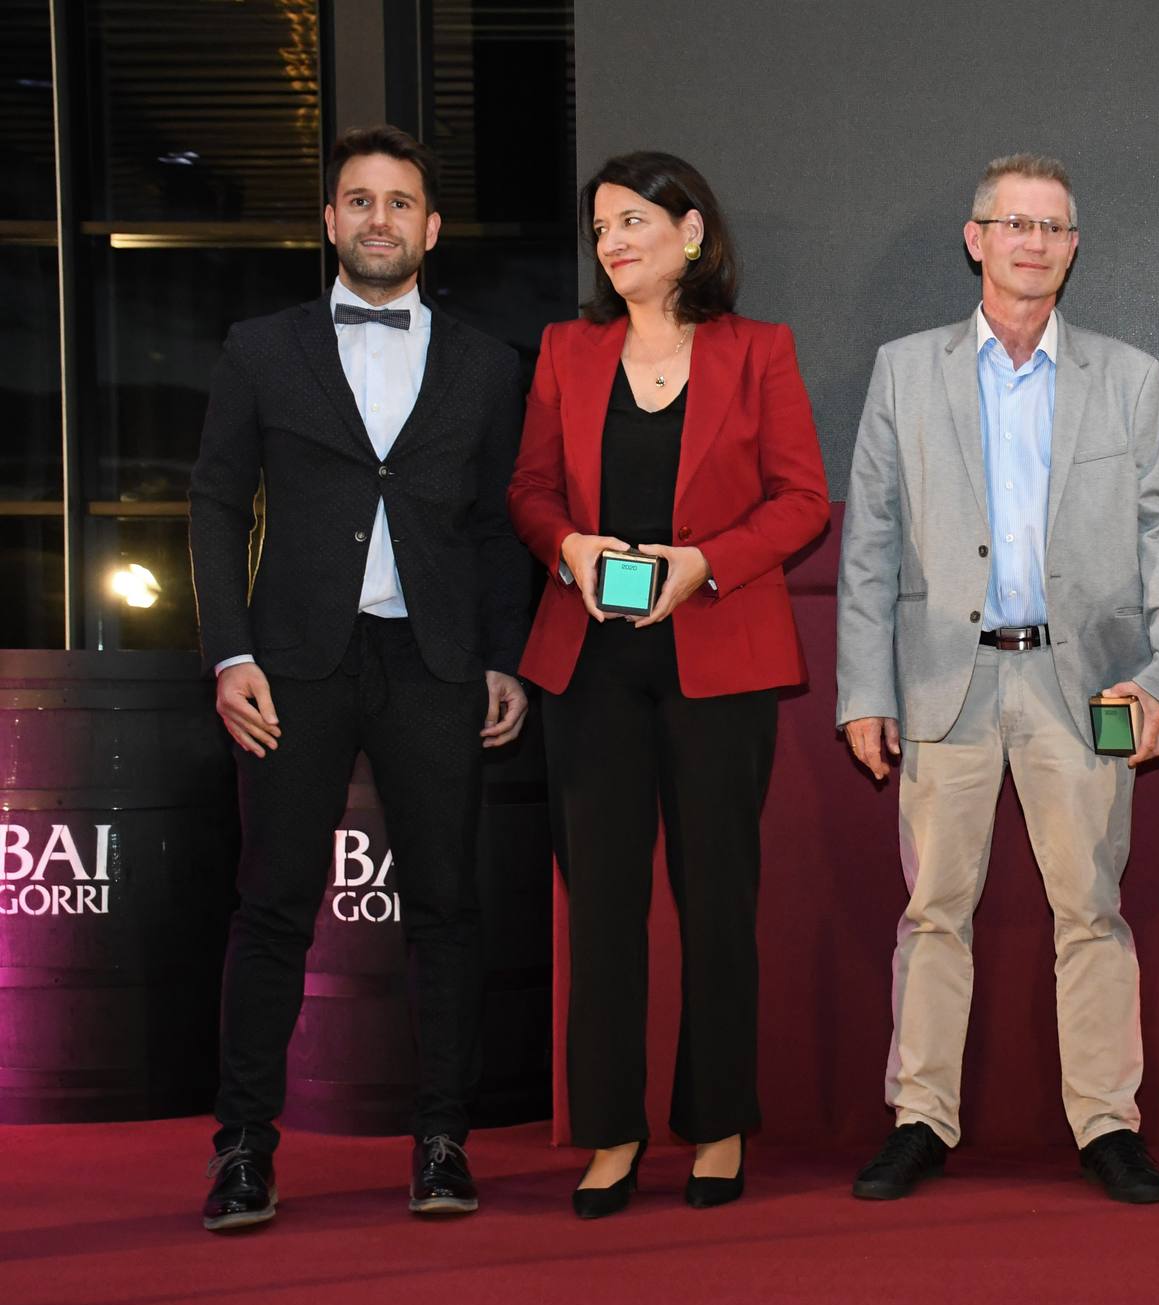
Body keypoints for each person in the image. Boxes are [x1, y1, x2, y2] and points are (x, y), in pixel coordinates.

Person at [835, 153, 1159, 1204]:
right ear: (975, 238)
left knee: (1091, 906)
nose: (1032, 242)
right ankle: (919, 1119)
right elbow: (868, 542)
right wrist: (864, 691)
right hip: (944, 686)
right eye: (1013, 224)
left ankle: (1105, 1125)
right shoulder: (903, 371)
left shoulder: (1126, 378)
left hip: (1081, 686)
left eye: (1052, 227)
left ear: (1073, 248)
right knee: (932, 911)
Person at [189, 125, 533, 1231]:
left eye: (400, 202)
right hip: (295, 664)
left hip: (434, 665)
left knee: (446, 910)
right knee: (273, 908)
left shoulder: (487, 362)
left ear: (430, 229)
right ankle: (243, 1150)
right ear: (330, 221)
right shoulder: (259, 347)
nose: (380, 218)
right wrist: (229, 652)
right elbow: (213, 502)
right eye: (359, 200)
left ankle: (442, 1144)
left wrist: (501, 657)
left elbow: (496, 528)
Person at [508, 152, 829, 1219]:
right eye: (599, 227)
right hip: (588, 661)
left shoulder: (759, 352)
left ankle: (719, 1122)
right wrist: (570, 548)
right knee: (599, 907)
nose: (612, 242)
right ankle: (606, 1134)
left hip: (717, 653)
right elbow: (529, 490)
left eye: (633, 220)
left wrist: (706, 563)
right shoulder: (566, 349)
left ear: (691, 231)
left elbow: (801, 502)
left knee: (716, 902)